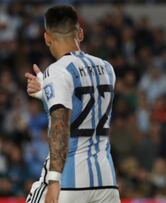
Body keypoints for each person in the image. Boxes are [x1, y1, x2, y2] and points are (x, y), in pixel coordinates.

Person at [24, 5, 120, 203]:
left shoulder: (57, 71)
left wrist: (53, 181)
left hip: (69, 181)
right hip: (106, 180)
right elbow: (87, 104)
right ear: (81, 34)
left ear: (47, 38)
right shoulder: (107, 68)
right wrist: (46, 94)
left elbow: (60, 126)